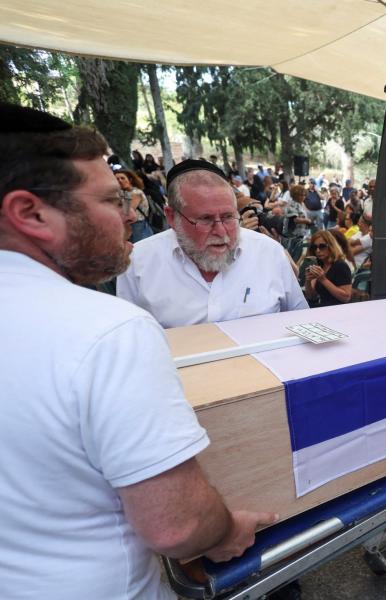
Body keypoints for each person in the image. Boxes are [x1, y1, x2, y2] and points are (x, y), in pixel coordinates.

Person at [0, 103, 277, 600]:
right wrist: (226, 531)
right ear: (30, 213)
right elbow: (177, 525)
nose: (131, 214)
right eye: (110, 201)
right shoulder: (109, 330)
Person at [117, 160, 308, 327]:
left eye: (228, 217)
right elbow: (129, 342)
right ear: (172, 217)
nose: (221, 231)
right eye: (205, 219)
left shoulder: (269, 252)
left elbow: (302, 322)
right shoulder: (138, 262)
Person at [300, 229, 353, 308]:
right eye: (315, 247)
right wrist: (308, 281)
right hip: (321, 308)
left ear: (331, 246)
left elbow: (346, 297)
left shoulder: (340, 266)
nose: (318, 250)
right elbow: (312, 296)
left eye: (322, 246)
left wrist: (323, 280)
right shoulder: (320, 264)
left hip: (336, 310)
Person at [116, 168, 154, 242]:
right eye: (117, 179)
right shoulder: (124, 193)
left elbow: (127, 212)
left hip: (137, 226)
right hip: (131, 226)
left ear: (130, 180)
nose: (120, 181)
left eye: (122, 178)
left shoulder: (136, 193)